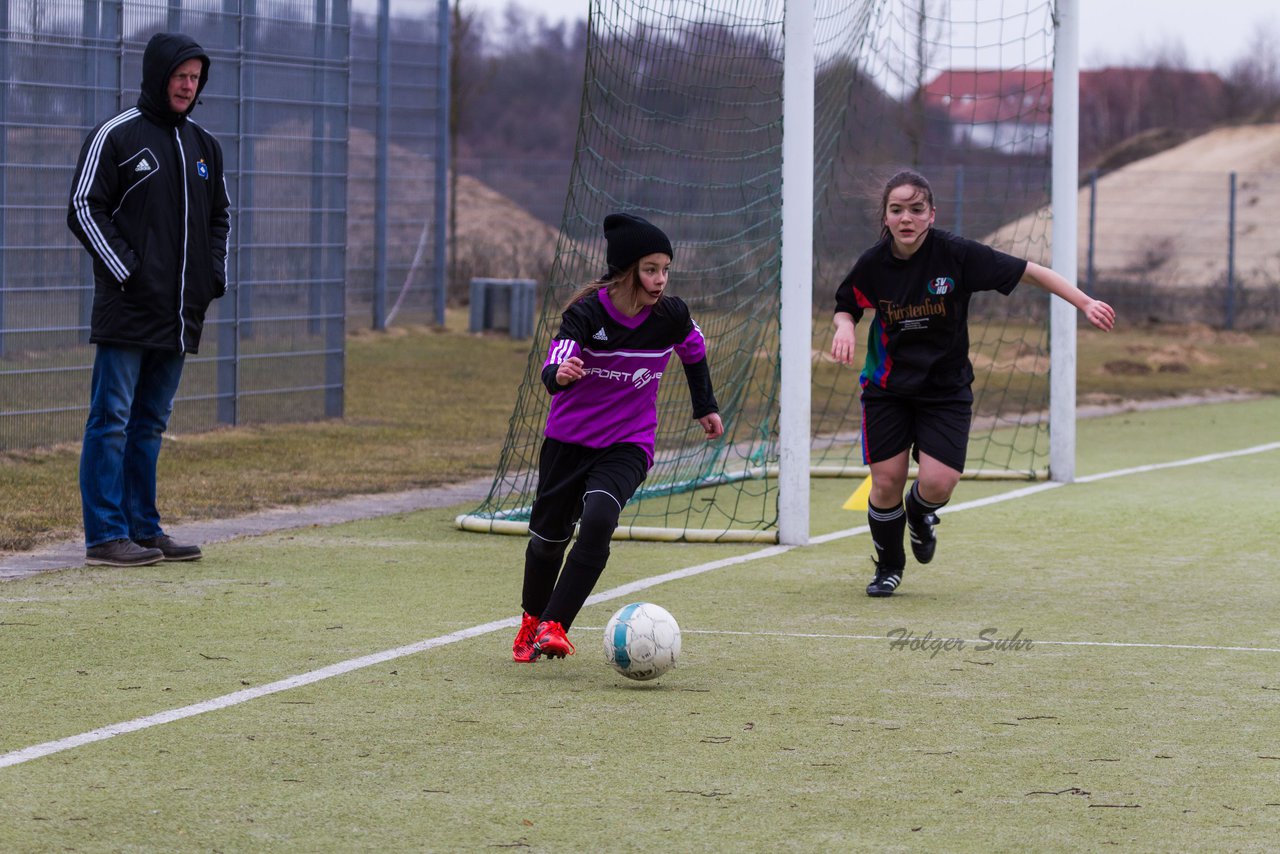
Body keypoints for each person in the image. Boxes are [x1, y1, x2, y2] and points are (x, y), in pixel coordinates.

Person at [831, 169, 1115, 598]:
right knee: (886, 480)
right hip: (888, 389)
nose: (906, 218)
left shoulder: (956, 255)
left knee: (938, 484)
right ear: (885, 217)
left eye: (916, 209)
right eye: (896, 210)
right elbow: (845, 305)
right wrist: (845, 327)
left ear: (931, 214)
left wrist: (1085, 301)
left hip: (945, 390)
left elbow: (1032, 271)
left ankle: (921, 512)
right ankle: (888, 566)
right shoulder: (873, 264)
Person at [513, 213, 724, 662]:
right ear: (627, 269)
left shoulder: (671, 315)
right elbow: (558, 357)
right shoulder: (587, 313)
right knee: (548, 542)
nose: (660, 280)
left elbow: (695, 351)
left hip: (629, 442)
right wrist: (559, 374)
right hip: (568, 442)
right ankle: (532, 620)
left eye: (666, 269)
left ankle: (555, 624)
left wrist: (704, 405)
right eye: (651, 269)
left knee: (599, 520)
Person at [67, 32, 230, 567]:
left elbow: (219, 218)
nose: (188, 85)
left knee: (150, 424)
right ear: (159, 76)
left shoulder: (206, 146)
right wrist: (128, 274)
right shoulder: (116, 135)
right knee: (110, 419)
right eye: (180, 76)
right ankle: (104, 537)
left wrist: (210, 280)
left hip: (179, 315)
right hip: (128, 309)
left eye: (196, 78)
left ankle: (143, 529)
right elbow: (85, 209)